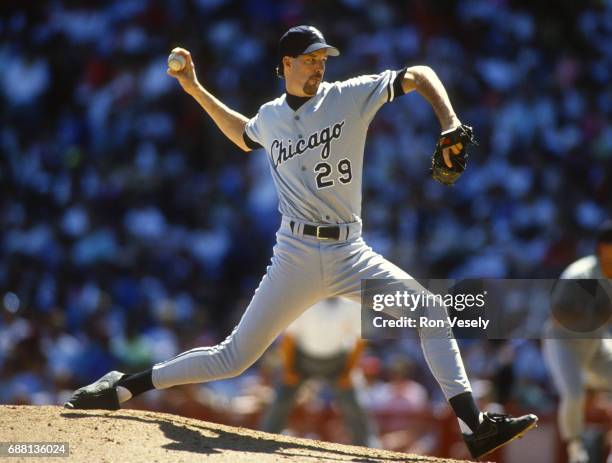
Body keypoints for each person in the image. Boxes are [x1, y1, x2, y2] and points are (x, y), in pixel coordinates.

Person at [64, 25, 537, 459]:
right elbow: (243, 135)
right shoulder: (270, 117)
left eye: (323, 58)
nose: (320, 65)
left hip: (352, 253)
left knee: (430, 311)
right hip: (295, 255)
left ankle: (475, 426)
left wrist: (450, 123)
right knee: (232, 359)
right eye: (310, 58)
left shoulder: (348, 96)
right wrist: (194, 89)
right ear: (286, 63)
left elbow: (418, 74)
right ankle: (124, 386)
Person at [259, 297, 375, 446]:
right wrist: (288, 370)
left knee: (354, 403)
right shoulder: (303, 299)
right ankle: (265, 438)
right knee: (282, 398)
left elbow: (360, 340)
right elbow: (289, 337)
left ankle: (367, 446)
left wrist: (348, 372)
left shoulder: (352, 304)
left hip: (338, 360)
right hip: (302, 358)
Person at [543, 220, 612, 463]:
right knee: (574, 394)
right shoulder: (582, 273)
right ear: (603, 247)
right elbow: (557, 315)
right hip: (565, 344)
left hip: (595, 345)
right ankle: (576, 449)